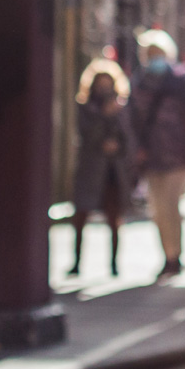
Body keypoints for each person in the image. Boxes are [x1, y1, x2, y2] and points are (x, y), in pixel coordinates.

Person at [129, 28, 185, 280]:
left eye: (158, 53)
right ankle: (166, 256)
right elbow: (133, 119)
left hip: (178, 156)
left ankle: (175, 256)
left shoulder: (181, 81)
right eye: (150, 53)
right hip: (150, 157)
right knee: (157, 210)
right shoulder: (139, 83)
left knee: (172, 206)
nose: (154, 58)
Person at [69, 56, 136, 278]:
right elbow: (85, 134)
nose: (104, 88)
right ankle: (76, 261)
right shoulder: (85, 107)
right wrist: (102, 120)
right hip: (90, 168)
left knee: (114, 218)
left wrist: (116, 144)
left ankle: (114, 264)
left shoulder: (121, 108)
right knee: (80, 216)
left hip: (112, 172)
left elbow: (128, 139)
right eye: (100, 83)